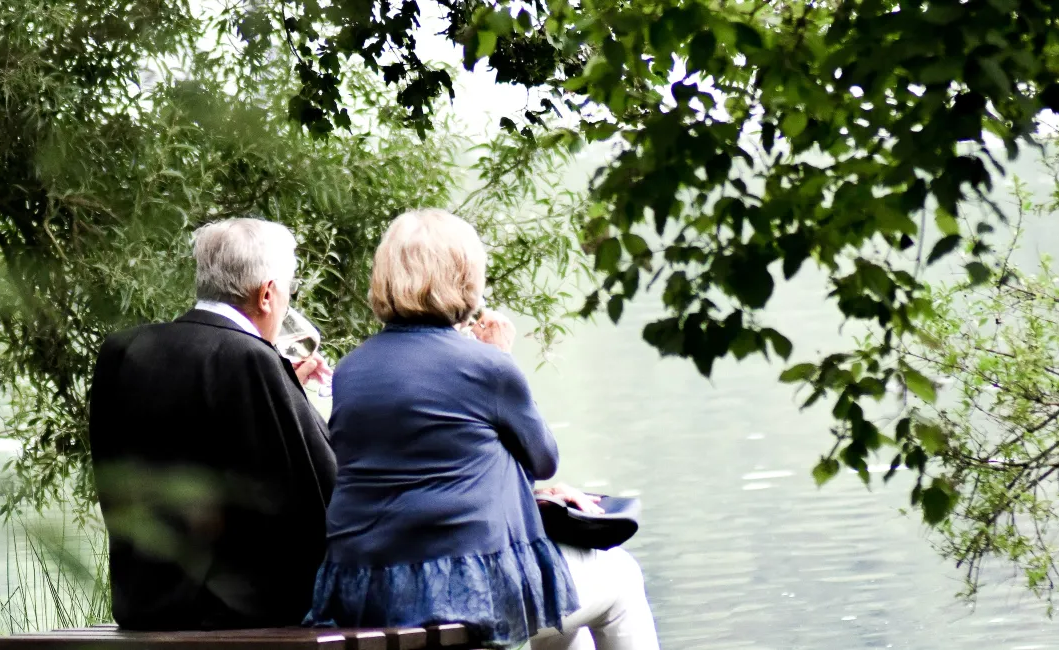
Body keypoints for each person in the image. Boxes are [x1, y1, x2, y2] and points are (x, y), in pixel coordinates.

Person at [305, 209, 660, 649]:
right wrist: (503, 357)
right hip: (466, 590)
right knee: (620, 578)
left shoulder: (352, 370)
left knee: (560, 599)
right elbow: (544, 459)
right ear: (464, 277)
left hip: (366, 589)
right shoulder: (487, 366)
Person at [88, 218, 335, 630]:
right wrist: (301, 401)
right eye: (288, 291)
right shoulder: (251, 360)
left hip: (142, 604)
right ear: (267, 294)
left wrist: (284, 387)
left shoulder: (122, 350)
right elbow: (318, 490)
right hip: (238, 615)